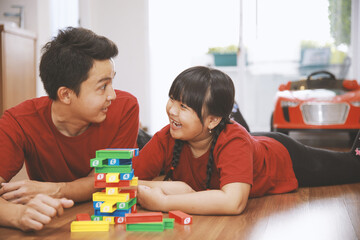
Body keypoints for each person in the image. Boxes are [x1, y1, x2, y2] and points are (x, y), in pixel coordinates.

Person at [133, 66, 360, 215]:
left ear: (212, 120)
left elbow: (233, 203)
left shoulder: (233, 141)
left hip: (283, 157)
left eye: (183, 106)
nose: (171, 110)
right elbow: (127, 180)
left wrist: (163, 202)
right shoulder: (168, 135)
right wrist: (175, 188)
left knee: (354, 165)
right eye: (172, 99)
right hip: (248, 143)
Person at [0, 27, 139, 231]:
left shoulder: (126, 108)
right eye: (102, 86)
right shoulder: (18, 121)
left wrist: (58, 189)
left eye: (112, 82)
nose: (112, 95)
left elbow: (108, 180)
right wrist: (18, 215)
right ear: (65, 95)